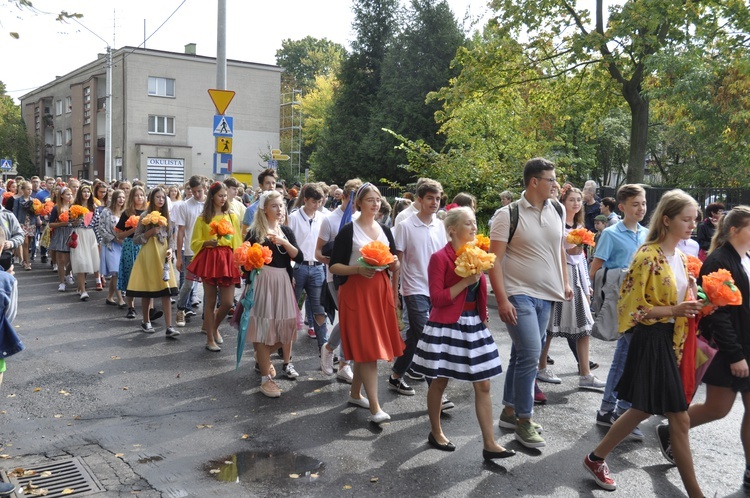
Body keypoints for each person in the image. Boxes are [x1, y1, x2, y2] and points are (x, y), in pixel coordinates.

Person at [583, 189, 704, 496]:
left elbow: (682, 302)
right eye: (686, 219)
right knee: (678, 416)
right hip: (651, 339)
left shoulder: (681, 258)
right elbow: (632, 308)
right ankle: (696, 493)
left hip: (672, 340)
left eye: (695, 219)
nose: (693, 225)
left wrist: (699, 303)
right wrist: (675, 310)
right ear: (667, 220)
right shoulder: (647, 255)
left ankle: (595, 458)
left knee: (643, 409)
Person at [656, 206, 750, 490]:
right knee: (717, 409)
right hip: (728, 351)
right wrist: (736, 355)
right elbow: (718, 315)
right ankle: (670, 429)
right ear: (734, 230)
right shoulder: (719, 261)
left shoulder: (746, 258)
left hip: (746, 346)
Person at [411, 207, 513, 459]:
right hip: (446, 324)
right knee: (440, 380)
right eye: (468, 224)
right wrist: (464, 282)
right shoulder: (440, 258)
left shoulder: (478, 255)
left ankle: (490, 443)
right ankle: (436, 432)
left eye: (475, 224)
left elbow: (479, 294)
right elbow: (436, 298)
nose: (474, 228)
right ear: (452, 229)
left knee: (484, 384)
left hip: (473, 324)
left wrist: (484, 318)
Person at [488, 158, 572, 449]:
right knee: (531, 355)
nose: (556, 185)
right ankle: (525, 419)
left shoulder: (557, 209)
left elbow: (558, 248)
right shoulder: (506, 214)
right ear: (534, 182)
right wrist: (501, 300)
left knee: (521, 354)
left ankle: (509, 411)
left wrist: (565, 282)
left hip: (546, 295)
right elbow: (494, 262)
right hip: (517, 293)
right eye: (551, 179)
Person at [329, 183, 404, 424]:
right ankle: (375, 407)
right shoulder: (348, 230)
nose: (375, 203)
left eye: (378, 199)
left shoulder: (384, 229)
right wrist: (358, 269)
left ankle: (354, 394)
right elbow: (333, 266)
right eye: (370, 199)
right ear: (358, 202)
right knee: (368, 349)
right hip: (356, 292)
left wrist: (395, 264)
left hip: (379, 291)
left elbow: (393, 261)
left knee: (366, 348)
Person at [589, 184, 648, 439]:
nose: (641, 208)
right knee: (624, 357)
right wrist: (621, 277)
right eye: (635, 204)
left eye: (644, 204)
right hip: (623, 304)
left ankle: (613, 411)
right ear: (622, 207)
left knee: (631, 358)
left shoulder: (648, 234)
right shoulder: (611, 234)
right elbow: (595, 271)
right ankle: (610, 411)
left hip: (645, 304)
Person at [537, 185, 604, 390]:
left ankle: (585, 373)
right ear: (563, 202)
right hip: (559, 275)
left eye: (578, 200)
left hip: (576, 276)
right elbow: (558, 253)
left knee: (583, 326)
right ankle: (541, 367)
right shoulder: (556, 224)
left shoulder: (579, 224)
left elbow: (580, 258)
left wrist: (586, 284)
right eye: (571, 200)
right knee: (549, 326)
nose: (576, 203)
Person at [390, 179, 447, 399]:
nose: (435, 202)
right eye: (430, 198)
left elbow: (444, 260)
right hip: (413, 290)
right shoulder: (405, 225)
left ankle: (396, 375)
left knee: (414, 338)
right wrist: (394, 292)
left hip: (436, 291)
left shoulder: (440, 227)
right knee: (428, 337)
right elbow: (398, 262)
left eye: (438, 198)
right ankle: (437, 393)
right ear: (420, 200)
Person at [245, 190, 303, 396]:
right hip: (263, 282)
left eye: (282, 205)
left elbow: (300, 256)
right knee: (263, 330)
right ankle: (266, 379)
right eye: (275, 206)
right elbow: (245, 266)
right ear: (264, 209)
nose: (280, 209)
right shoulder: (255, 233)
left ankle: (263, 357)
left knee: (286, 329)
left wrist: (284, 242)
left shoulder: (286, 230)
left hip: (283, 281)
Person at [316, 178, 362, 382]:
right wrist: (334, 260)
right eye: (351, 199)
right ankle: (333, 352)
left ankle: (340, 360)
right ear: (343, 197)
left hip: (358, 277)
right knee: (348, 319)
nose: (354, 204)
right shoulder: (330, 219)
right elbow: (318, 252)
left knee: (352, 320)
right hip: (335, 277)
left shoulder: (361, 219)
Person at [187, 182, 242, 351]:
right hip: (210, 259)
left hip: (227, 260)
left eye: (225, 196)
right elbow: (194, 243)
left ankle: (213, 327)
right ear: (212, 197)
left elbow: (237, 241)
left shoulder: (231, 216)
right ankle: (210, 339)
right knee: (210, 301)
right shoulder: (203, 218)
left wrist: (239, 262)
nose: (223, 199)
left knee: (226, 302)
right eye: (220, 195)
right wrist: (206, 243)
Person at [126, 187, 179, 337]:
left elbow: (171, 239)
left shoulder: (168, 217)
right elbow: (136, 239)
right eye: (158, 197)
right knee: (147, 290)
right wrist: (149, 233)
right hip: (148, 254)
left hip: (162, 256)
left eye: (163, 197)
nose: (161, 200)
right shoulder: (144, 216)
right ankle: (146, 321)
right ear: (152, 198)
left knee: (167, 291)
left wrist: (171, 250)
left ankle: (169, 326)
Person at [287, 183, 329, 349]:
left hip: (317, 267)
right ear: (305, 199)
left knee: (319, 309)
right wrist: (289, 270)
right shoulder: (294, 218)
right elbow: (288, 244)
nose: (317, 205)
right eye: (313, 202)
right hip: (298, 266)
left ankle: (324, 348)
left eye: (319, 202)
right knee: (291, 308)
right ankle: (283, 348)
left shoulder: (323, 218)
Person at [173, 176, 206, 327]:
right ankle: (180, 309)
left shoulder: (210, 205)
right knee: (188, 283)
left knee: (210, 284)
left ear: (204, 188)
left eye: (199, 191)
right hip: (191, 251)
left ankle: (207, 315)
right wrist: (178, 256)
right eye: (193, 192)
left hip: (208, 250)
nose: (196, 195)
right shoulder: (184, 206)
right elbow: (180, 231)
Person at [116, 186, 148, 319]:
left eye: (142, 195)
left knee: (147, 276)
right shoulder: (127, 213)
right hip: (130, 245)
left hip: (145, 246)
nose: (140, 197)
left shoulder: (148, 212)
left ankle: (149, 309)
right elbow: (119, 235)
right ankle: (131, 307)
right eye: (137, 195)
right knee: (130, 275)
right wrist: (133, 229)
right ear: (132, 197)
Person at [70, 184, 101, 300]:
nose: (86, 194)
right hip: (78, 234)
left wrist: (99, 241)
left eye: (88, 192)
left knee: (88, 263)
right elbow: (70, 222)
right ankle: (83, 291)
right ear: (80, 193)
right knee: (81, 262)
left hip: (90, 235)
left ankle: (80, 286)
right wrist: (77, 219)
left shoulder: (93, 207)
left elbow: (97, 225)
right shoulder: (74, 206)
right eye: (84, 192)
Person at [98, 189, 127, 307]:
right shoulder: (106, 212)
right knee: (116, 272)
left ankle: (110, 297)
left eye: (123, 197)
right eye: (119, 197)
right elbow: (101, 229)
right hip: (111, 244)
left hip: (123, 245)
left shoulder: (125, 213)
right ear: (114, 198)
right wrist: (114, 239)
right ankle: (120, 299)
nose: (121, 200)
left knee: (118, 271)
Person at [47, 187, 75, 292]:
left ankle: (68, 273)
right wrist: (62, 223)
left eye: (71, 194)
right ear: (62, 196)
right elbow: (51, 224)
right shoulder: (57, 208)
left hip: (72, 233)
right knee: (61, 260)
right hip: (60, 234)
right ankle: (62, 282)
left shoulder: (74, 207)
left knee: (73, 259)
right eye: (67, 194)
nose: (70, 196)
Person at [242, 168, 277, 236]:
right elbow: (244, 235)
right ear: (261, 186)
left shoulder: (281, 208)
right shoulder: (251, 210)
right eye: (267, 183)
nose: (271, 186)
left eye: (273, 183)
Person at [11, 181, 37, 271]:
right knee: (25, 243)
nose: (30, 191)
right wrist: (15, 224)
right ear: (22, 189)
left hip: (31, 223)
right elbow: (15, 213)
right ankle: (27, 263)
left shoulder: (34, 200)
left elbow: (37, 213)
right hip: (22, 223)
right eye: (27, 189)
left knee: (28, 243)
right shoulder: (18, 200)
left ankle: (25, 259)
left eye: (31, 189)